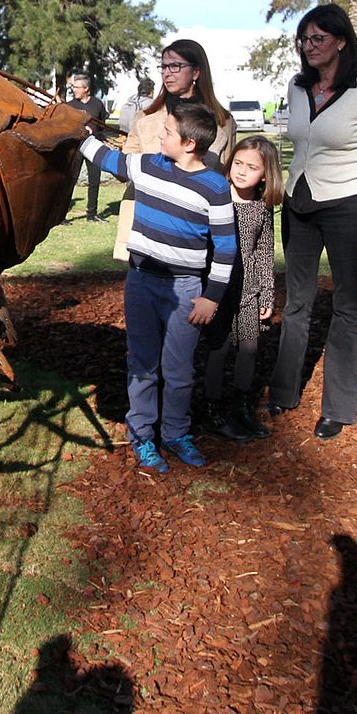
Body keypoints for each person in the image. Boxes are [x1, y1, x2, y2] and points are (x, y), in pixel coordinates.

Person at [267, 4, 357, 440]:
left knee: (347, 305)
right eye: (304, 39)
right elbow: (301, 141)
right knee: (298, 301)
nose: (309, 46)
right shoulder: (296, 85)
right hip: (299, 204)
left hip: (350, 205)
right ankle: (284, 389)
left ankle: (338, 407)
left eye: (318, 38)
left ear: (341, 41)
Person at [80, 101, 235, 474]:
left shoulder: (215, 187)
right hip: (142, 282)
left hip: (185, 290)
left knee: (179, 372)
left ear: (189, 145)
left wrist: (211, 298)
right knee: (142, 366)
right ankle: (142, 436)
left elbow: (227, 247)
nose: (159, 136)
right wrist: (79, 134)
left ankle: (176, 433)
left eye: (167, 132)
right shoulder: (149, 165)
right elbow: (108, 159)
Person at [113, 39, 236, 260]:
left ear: (196, 72)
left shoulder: (223, 122)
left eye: (175, 66)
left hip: (195, 232)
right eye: (163, 66)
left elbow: (228, 180)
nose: (167, 73)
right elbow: (123, 172)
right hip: (148, 229)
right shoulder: (145, 119)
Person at [201, 135, 282, 442]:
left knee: (249, 348)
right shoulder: (218, 197)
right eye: (237, 163)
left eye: (251, 167)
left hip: (249, 289)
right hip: (219, 287)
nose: (242, 172)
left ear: (265, 173)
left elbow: (264, 250)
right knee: (218, 348)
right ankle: (213, 411)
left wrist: (267, 292)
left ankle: (242, 408)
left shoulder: (261, 206)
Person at [64, 73, 110, 222]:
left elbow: (102, 124)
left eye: (77, 87)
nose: (74, 90)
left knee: (94, 181)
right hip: (75, 148)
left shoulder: (97, 104)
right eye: (73, 87)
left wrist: (97, 135)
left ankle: (92, 215)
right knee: (69, 181)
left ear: (86, 89)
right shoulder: (70, 106)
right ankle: (61, 216)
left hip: (93, 148)